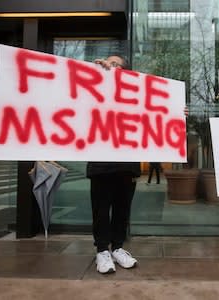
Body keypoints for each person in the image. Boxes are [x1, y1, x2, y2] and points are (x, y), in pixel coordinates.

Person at [87, 55, 140, 274]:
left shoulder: (136, 95)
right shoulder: (94, 92)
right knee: (101, 211)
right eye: (109, 63)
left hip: (127, 165)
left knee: (122, 210)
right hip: (101, 164)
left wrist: (175, 112)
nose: (112, 66)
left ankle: (118, 248)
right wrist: (99, 74)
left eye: (117, 64)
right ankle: (102, 251)